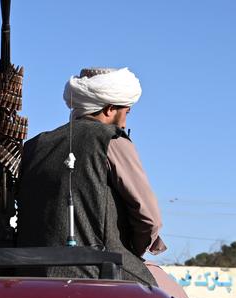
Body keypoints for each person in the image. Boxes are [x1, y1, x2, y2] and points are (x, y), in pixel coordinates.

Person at [16, 67, 165, 285]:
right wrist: (135, 250)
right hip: (99, 269)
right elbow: (149, 217)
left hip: (31, 273)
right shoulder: (112, 140)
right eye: (127, 112)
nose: (125, 122)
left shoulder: (34, 146)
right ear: (109, 109)